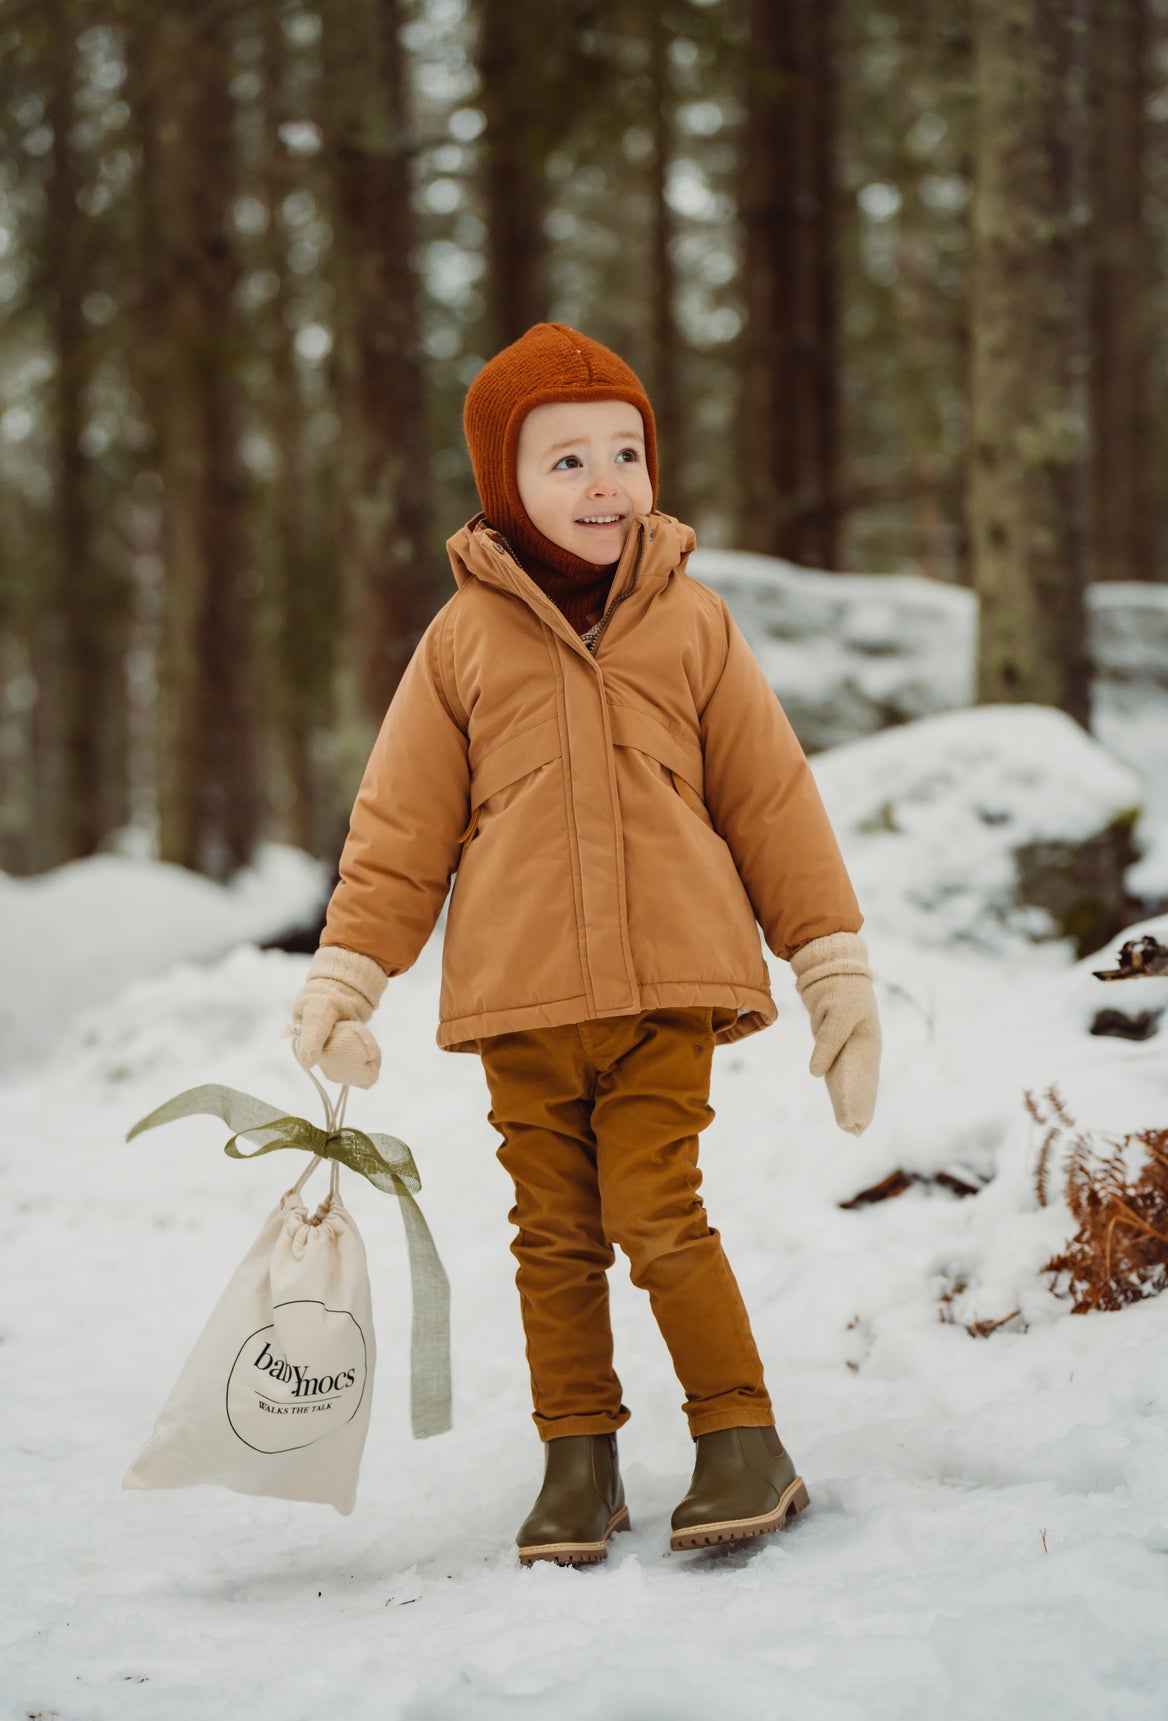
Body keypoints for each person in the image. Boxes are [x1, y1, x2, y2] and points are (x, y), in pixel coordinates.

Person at [291, 322, 881, 1565]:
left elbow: (773, 801)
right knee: (551, 1234)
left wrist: (829, 965)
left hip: (670, 982)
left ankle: (740, 1436)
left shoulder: (694, 623)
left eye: (626, 450)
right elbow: (400, 826)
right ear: (505, 485)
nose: (606, 479)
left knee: (658, 1208)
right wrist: (349, 975)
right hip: (523, 998)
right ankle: (579, 1455)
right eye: (566, 461)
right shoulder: (458, 642)